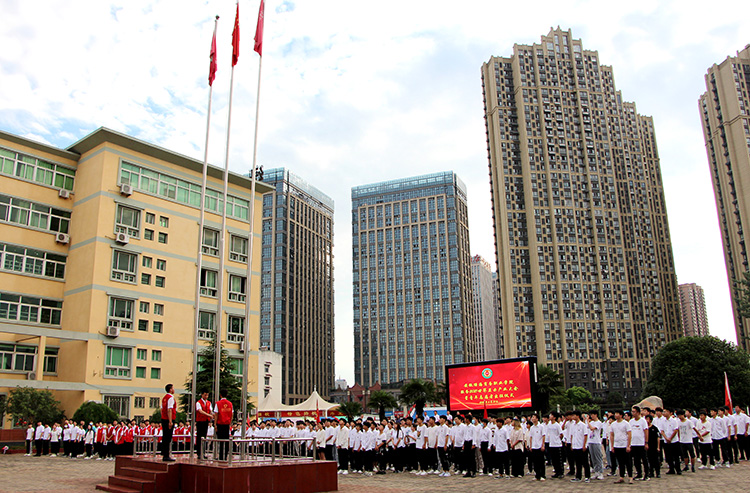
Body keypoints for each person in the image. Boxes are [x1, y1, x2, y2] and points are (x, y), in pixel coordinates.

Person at [610, 410, 633, 484]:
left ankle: (630, 477)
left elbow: (629, 434)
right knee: (620, 462)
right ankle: (621, 477)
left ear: (621, 415)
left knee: (628, 462)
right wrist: (612, 446)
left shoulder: (626, 424)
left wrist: (628, 445)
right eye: (615, 413)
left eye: (617, 413)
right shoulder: (613, 424)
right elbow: (612, 435)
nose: (615, 415)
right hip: (617, 445)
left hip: (624, 445)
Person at [568, 411, 590, 483]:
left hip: (581, 446)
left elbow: (585, 435)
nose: (572, 417)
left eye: (574, 415)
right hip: (575, 446)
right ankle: (578, 476)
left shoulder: (583, 425)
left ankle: (587, 476)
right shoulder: (572, 425)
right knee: (577, 463)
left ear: (577, 416)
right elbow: (571, 435)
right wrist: (571, 444)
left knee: (585, 462)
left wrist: (584, 445)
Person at [629, 406, 649, 480]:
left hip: (641, 443)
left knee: (644, 459)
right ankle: (639, 473)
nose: (632, 413)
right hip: (633, 443)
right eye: (632, 411)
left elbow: (646, 431)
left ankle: (647, 474)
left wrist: (646, 442)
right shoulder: (631, 421)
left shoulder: (643, 421)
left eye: (634, 411)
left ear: (638, 412)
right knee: (636, 460)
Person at [213, 389, 233, 461]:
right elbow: (232, 414)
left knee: (220, 441)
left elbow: (216, 414)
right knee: (226, 440)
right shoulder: (230, 404)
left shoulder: (218, 403)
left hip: (220, 424)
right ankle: (225, 456)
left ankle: (221, 456)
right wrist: (230, 423)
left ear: (220, 395)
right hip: (227, 424)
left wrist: (215, 424)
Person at [586, 411, 604, 480]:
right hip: (590, 441)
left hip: (596, 442)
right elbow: (587, 427)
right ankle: (596, 471)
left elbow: (592, 428)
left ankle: (600, 472)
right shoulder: (591, 422)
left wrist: (588, 421)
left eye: (592, 415)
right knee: (592, 458)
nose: (591, 416)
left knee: (598, 457)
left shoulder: (599, 423)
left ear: (596, 415)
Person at [161, 383, 176, 462]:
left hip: (164, 419)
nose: (174, 390)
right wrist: (170, 421)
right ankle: (166, 455)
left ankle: (164, 453)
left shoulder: (164, 398)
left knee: (165, 436)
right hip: (168, 419)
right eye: (173, 388)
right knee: (168, 437)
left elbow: (161, 409)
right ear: (170, 389)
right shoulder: (170, 397)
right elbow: (169, 409)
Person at [528, 414, 546, 481]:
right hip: (534, 446)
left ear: (537, 419)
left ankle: (542, 475)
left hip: (539, 446)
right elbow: (531, 437)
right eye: (532, 417)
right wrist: (531, 446)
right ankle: (537, 475)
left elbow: (543, 436)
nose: (532, 419)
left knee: (541, 461)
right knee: (535, 462)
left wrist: (543, 445)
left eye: (534, 417)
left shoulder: (541, 426)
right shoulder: (532, 427)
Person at [195, 391, 212, 459]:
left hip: (206, 421)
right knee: (199, 436)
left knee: (204, 436)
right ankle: (199, 452)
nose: (206, 397)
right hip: (200, 421)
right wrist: (208, 415)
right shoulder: (198, 403)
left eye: (207, 395)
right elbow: (200, 410)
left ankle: (203, 452)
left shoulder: (208, 403)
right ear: (202, 395)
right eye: (205, 395)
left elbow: (211, 410)